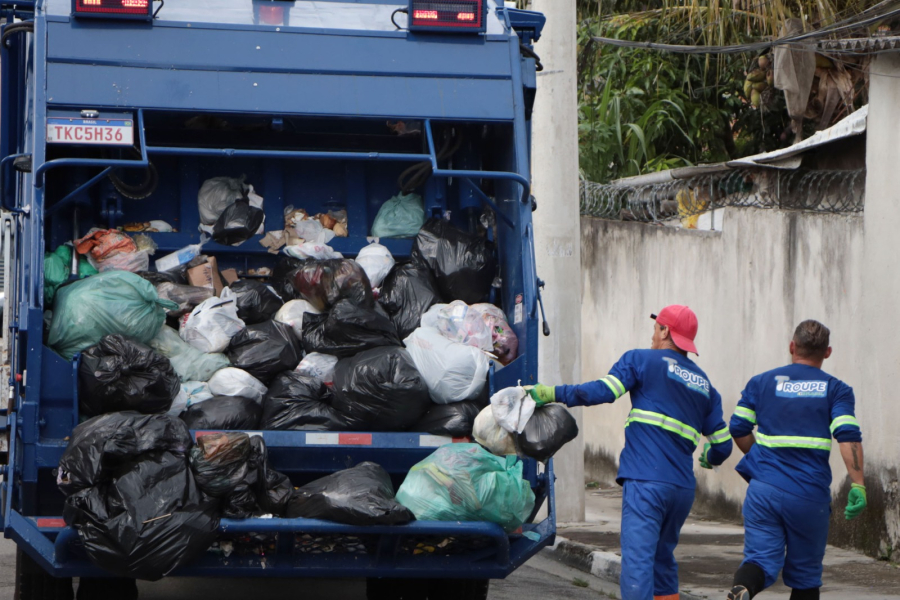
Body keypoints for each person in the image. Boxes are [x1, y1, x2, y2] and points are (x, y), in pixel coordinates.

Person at [528, 305, 732, 600]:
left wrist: (553, 393)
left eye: (656, 327)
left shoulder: (640, 360)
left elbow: (603, 391)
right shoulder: (706, 387)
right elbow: (723, 446)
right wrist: (709, 457)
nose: (652, 334)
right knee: (662, 561)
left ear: (665, 331)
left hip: (646, 482)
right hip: (682, 490)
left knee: (637, 565)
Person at [726, 320, 866, 600]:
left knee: (759, 560)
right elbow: (847, 436)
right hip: (808, 495)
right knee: (805, 576)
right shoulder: (836, 390)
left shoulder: (761, 382)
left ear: (792, 347)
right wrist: (858, 484)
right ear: (827, 353)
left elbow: (738, 427)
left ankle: (744, 588)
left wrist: (760, 461)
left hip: (763, 490)